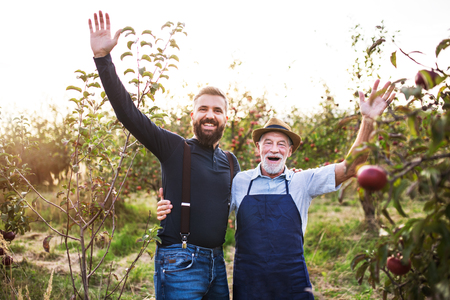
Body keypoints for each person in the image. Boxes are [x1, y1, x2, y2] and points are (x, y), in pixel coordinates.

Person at [158, 80, 396, 299]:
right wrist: (170, 207)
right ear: (258, 148)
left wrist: (368, 120)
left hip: (291, 282)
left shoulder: (303, 181)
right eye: (268, 142)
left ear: (289, 152)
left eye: (282, 143)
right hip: (249, 282)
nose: (275, 149)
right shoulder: (240, 181)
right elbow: (209, 207)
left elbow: (351, 166)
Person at [89, 11, 240, 300]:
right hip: (180, 262)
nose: (210, 115)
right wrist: (102, 60)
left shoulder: (232, 162)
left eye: (217, 110)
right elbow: (128, 114)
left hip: (218, 264)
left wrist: (288, 175)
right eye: (203, 109)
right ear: (192, 115)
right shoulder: (173, 147)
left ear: (226, 117)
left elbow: (251, 197)